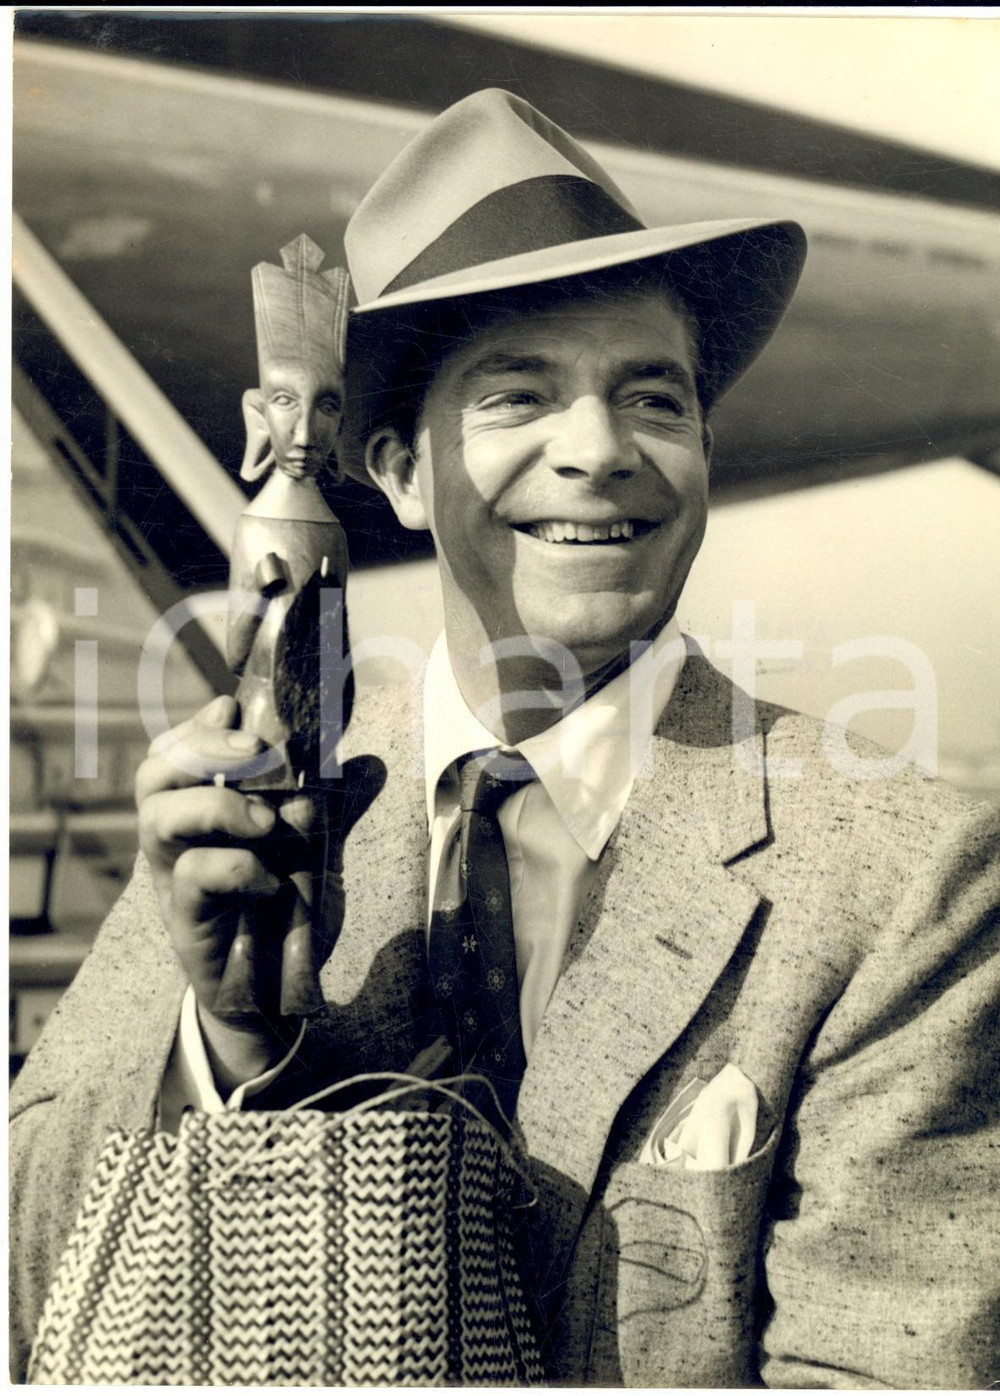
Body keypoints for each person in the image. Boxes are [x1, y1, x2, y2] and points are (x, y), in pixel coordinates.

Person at [10, 89, 1000, 1387]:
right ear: (401, 475)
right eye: (516, 394)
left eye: (654, 399)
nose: (597, 451)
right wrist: (227, 1040)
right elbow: (29, 1297)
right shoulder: (248, 804)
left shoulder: (911, 876)